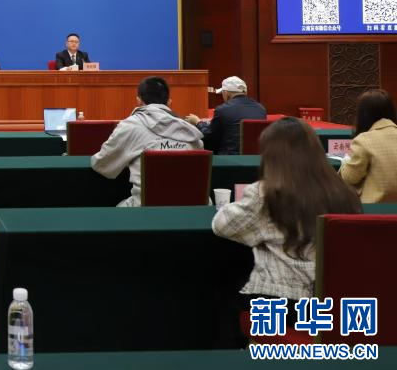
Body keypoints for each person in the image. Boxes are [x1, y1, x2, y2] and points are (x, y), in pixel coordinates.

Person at [213, 118, 361, 307]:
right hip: (332, 300)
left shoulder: (266, 193)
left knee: (222, 284)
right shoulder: (344, 192)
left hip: (280, 301)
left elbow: (222, 225)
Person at [91, 76, 204, 206]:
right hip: (192, 208)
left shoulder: (129, 126)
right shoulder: (190, 130)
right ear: (168, 102)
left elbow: (101, 164)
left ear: (138, 100)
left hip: (145, 209)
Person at [339, 89, 397, 203]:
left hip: (373, 209)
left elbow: (350, 178)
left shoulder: (363, 140)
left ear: (363, 114)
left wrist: (345, 162)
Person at [185, 76, 267, 155]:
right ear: (245, 92)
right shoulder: (261, 109)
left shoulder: (222, 110)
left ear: (226, 93)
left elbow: (210, 137)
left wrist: (198, 122)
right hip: (256, 158)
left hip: (228, 159)